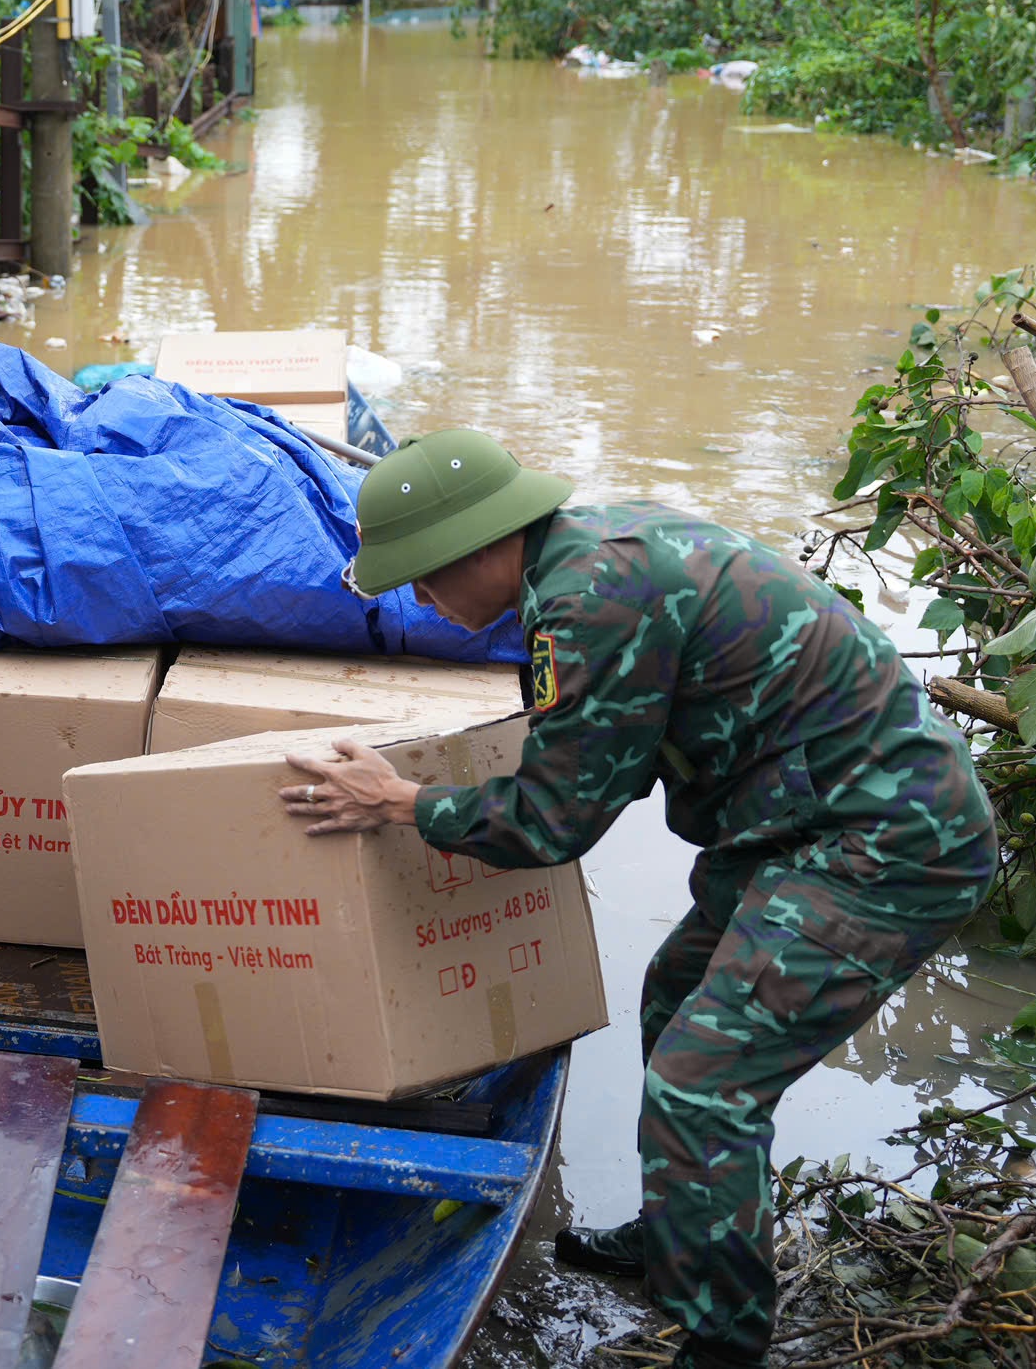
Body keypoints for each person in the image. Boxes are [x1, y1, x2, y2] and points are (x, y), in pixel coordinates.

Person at [274, 428, 995, 1369]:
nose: (419, 599)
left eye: (425, 575)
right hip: (801, 818)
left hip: (886, 844)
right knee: (675, 992)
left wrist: (400, 801)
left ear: (489, 545)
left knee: (703, 1088)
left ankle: (724, 1344)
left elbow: (550, 823)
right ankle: (678, 1238)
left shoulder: (587, 605)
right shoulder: (590, 553)